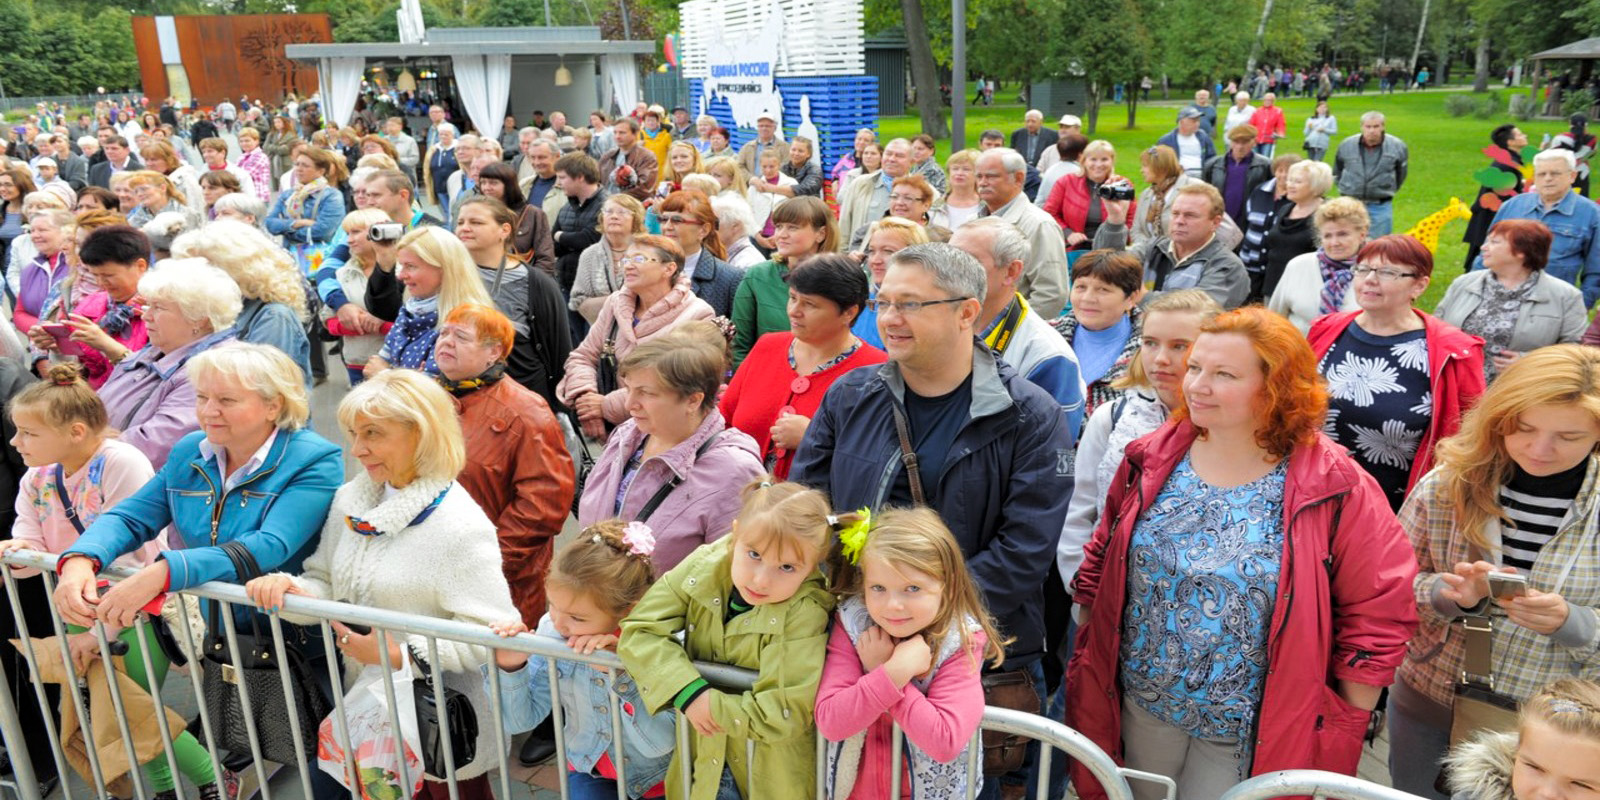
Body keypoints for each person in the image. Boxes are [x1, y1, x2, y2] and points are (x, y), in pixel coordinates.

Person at [1068, 306, 1419, 800]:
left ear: (1276, 387)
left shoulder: (1335, 485)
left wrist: (1345, 719)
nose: (1196, 386)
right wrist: (1088, 641)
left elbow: (1378, 608)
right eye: (1196, 367)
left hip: (1251, 726)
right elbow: (1103, 554)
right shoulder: (1153, 455)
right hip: (1141, 703)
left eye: (1224, 375)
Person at [791, 243, 1073, 798]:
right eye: (884, 302)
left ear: (966, 312)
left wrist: (920, 624)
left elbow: (1025, 547)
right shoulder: (851, 395)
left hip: (975, 658)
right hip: (859, 650)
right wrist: (875, 623)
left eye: (911, 304)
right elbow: (808, 509)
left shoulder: (1028, 414)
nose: (889, 318)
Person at [243, 368, 516, 800]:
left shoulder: (460, 526)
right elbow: (324, 580)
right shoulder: (351, 498)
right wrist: (291, 592)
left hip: (437, 730)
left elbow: (489, 632)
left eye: (373, 434)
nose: (357, 449)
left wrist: (398, 656)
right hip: (368, 712)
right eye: (354, 433)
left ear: (421, 434)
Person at [1, 363, 230, 800]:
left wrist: (97, 635)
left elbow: (130, 551)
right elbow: (31, 549)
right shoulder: (37, 476)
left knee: (132, 707)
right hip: (79, 606)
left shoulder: (120, 461)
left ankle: (213, 779)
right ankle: (169, 788)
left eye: (27, 433)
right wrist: (16, 553)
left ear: (76, 432)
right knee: (122, 711)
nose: (15, 442)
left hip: (135, 607)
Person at [1388, 345, 1600, 798]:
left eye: (1568, 437)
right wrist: (1448, 595)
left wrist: (1575, 623)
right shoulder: (1448, 484)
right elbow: (1387, 588)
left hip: (1561, 741)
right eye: (1524, 428)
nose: (1540, 450)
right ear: (1498, 417)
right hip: (1433, 704)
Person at [617, 479, 836, 800]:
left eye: (787, 567)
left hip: (769, 776)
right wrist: (687, 691)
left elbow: (782, 711)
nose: (761, 580)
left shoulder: (806, 610)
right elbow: (641, 629)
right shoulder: (704, 564)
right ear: (735, 534)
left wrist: (708, 707)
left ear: (813, 565)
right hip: (702, 764)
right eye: (754, 554)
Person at [815, 508, 1003, 800]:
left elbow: (945, 740)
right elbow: (831, 721)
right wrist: (893, 672)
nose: (893, 605)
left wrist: (884, 671)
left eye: (912, 588)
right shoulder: (853, 622)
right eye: (878, 587)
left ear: (948, 585)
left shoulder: (960, 640)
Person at [487, 520, 675, 799]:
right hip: (589, 768)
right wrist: (512, 666)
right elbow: (519, 721)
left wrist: (622, 675)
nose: (559, 624)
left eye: (577, 618)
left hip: (660, 779)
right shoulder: (552, 629)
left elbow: (660, 742)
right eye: (553, 605)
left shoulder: (659, 642)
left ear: (627, 611)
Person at [1056, 289, 1221, 596]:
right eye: (1150, 343)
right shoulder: (1112, 418)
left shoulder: (1226, 427)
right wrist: (1081, 587)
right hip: (1105, 591)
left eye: (1180, 346)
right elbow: (1078, 509)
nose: (1160, 359)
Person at [1308, 234, 1487, 511]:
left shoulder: (1454, 353)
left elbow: (1473, 438)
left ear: (1420, 285)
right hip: (1314, 495)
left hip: (1398, 508)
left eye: (1388, 272)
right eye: (1363, 269)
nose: (1370, 279)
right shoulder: (1326, 329)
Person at [435, 302, 573, 626]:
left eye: (461, 337)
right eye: (444, 333)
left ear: (494, 352)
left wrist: (485, 561)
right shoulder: (427, 398)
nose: (447, 341)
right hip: (436, 569)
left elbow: (543, 506)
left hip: (502, 584)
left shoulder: (527, 412)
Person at [723, 255, 886, 479]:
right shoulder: (768, 346)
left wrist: (815, 438)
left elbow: (876, 461)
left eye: (809, 304)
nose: (794, 311)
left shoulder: (875, 371)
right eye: (792, 298)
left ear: (849, 312)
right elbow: (725, 420)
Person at [559, 235, 716, 439]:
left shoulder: (697, 314)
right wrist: (586, 398)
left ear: (669, 269)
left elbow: (674, 382)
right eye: (626, 259)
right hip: (613, 434)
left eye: (639, 259)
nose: (628, 266)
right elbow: (583, 356)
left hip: (665, 434)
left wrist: (606, 406)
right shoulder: (615, 303)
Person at [95, 262, 240, 469]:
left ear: (199, 319)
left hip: (136, 478)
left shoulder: (213, 368)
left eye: (159, 308)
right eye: (148, 306)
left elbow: (154, 446)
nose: (146, 316)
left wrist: (81, 446)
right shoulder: (155, 351)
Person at [951, 217, 1085, 432]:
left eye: (967, 260)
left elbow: (1052, 444)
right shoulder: (938, 325)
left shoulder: (1047, 356)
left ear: (1011, 272)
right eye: (948, 258)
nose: (949, 271)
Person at [452, 197, 572, 408]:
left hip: (521, 401)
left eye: (476, 222)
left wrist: (559, 408)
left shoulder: (537, 284)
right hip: (458, 398)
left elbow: (560, 353)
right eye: (460, 222)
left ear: (504, 230)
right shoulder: (446, 275)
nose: (465, 228)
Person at [1435, 218, 1586, 383]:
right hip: (1454, 384)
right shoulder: (1464, 283)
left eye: (1494, 242)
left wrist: (1528, 363)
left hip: (1520, 390)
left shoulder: (1566, 296)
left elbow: (1575, 351)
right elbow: (1435, 328)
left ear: (1522, 251)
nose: (1484, 247)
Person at [170, 221, 314, 387]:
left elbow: (259, 385)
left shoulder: (274, 317)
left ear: (235, 266)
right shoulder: (227, 305)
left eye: (207, 266)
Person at [1473, 149, 1600, 308]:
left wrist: (1581, 306)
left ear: (1572, 176)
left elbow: (1596, 270)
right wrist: (1474, 293)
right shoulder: (1512, 206)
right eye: (1541, 174)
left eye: (1555, 173)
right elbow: (1485, 254)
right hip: (1499, 300)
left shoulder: (1591, 214)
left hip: (1553, 304)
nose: (1548, 179)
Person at [29, 224, 149, 389]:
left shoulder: (160, 310)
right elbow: (78, 371)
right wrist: (59, 347)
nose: (101, 283)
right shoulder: (90, 306)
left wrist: (108, 346)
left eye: (108, 275)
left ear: (140, 266)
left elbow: (159, 376)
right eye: (95, 275)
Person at [1095, 183, 1251, 308]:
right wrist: (1115, 219)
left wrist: (1140, 296)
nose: (1179, 221)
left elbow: (1197, 310)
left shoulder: (1228, 267)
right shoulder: (1154, 247)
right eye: (1175, 214)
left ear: (1215, 222)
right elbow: (1105, 269)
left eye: (1190, 215)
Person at [365, 226, 494, 376]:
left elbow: (438, 386)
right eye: (401, 266)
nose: (401, 276)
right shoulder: (410, 310)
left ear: (444, 268)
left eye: (410, 266)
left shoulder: (468, 321)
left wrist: (384, 374)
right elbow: (377, 362)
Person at [1443, 679, 1600, 800]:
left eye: (1580, 784)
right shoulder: (1475, 795)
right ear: (1516, 753)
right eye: (1535, 767)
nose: (1547, 794)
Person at [731, 196, 838, 366]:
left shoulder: (838, 280)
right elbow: (738, 346)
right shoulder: (758, 276)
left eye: (793, 227)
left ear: (821, 234)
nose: (781, 235)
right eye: (779, 227)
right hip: (766, 375)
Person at [1048, 248, 1145, 417]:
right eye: (1081, 287)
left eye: (1103, 290)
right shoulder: (1047, 335)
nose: (1087, 298)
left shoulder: (1150, 348)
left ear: (1131, 298)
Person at [976, 148, 1070, 318]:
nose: (982, 183)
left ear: (1018, 178)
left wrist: (1007, 327)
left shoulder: (1039, 225)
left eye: (991, 176)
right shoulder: (972, 221)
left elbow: (1051, 295)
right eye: (979, 176)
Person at [1267, 197, 1370, 333]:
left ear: (1362, 235)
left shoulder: (1374, 272)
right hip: (1301, 345)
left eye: (1342, 234)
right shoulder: (1298, 266)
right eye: (1327, 236)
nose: (1334, 243)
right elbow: (1274, 319)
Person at [321, 209, 393, 384]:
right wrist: (359, 324)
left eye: (356, 232)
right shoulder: (342, 273)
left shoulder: (402, 270)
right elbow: (327, 320)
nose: (348, 240)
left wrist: (383, 324)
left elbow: (417, 322)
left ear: (378, 231)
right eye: (347, 233)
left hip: (397, 363)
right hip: (357, 363)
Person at [1045, 139, 1138, 255]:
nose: (1098, 165)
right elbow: (1049, 212)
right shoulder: (1066, 182)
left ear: (1112, 161)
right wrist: (1068, 233)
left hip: (1109, 251)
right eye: (1093, 159)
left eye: (1104, 159)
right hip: (1073, 248)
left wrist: (1118, 238)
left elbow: (1132, 219)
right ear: (1084, 161)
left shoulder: (1122, 185)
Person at [263, 148, 347, 275]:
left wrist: (286, 231)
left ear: (321, 171)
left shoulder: (331, 196)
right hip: (289, 258)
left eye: (305, 166)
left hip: (319, 259)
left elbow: (324, 231)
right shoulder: (290, 194)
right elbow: (269, 223)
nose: (299, 169)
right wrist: (296, 224)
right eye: (297, 164)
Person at [659, 190, 741, 318]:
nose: (666, 227)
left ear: (703, 230)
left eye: (677, 220)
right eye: (663, 219)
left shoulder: (730, 278)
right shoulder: (646, 267)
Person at [851, 218, 931, 349]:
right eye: (871, 251)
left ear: (916, 256)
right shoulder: (862, 302)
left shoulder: (929, 307)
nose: (875, 260)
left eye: (888, 251)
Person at [1260, 159, 1333, 298]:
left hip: (1306, 291)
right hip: (1273, 286)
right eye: (1290, 180)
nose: (1289, 185)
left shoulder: (1326, 214)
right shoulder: (1285, 209)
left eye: (1297, 182)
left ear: (1315, 186)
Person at [1463, 124, 1530, 271]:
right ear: (1510, 142)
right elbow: (1505, 197)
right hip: (1489, 221)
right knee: (1481, 263)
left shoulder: (1508, 161)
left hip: (1488, 219)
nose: (1525, 136)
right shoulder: (1506, 164)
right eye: (1520, 134)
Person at [571, 193, 645, 323]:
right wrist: (617, 302)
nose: (614, 216)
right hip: (600, 329)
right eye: (608, 212)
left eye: (622, 212)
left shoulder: (647, 252)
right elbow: (578, 300)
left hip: (644, 328)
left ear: (636, 219)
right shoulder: (589, 255)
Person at [471, 161, 555, 274]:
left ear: (508, 185)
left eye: (493, 183)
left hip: (523, 278)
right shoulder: (475, 213)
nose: (487, 187)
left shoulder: (532, 214)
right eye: (483, 182)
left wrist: (532, 281)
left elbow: (545, 258)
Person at [1334, 111, 1409, 236]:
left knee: (1379, 244)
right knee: (1347, 240)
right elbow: (1338, 170)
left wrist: (1386, 188)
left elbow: (1401, 174)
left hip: (1380, 205)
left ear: (1383, 127)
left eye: (1376, 126)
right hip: (1350, 204)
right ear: (1361, 127)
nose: (1372, 130)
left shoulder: (1397, 146)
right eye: (1368, 126)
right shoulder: (1346, 145)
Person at [837, 139, 913, 252]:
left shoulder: (922, 191)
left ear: (911, 161)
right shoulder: (860, 184)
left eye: (899, 156)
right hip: (862, 258)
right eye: (888, 154)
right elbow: (844, 224)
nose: (892, 159)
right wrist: (843, 257)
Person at [1203, 124, 1273, 232]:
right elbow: (1205, 192)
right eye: (1236, 142)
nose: (1240, 147)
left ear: (1254, 142)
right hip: (1220, 219)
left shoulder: (1265, 165)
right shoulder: (1213, 165)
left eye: (1245, 142)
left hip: (1249, 219)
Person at [599, 118, 659, 203]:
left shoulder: (646, 157)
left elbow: (644, 188)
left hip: (632, 205)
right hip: (606, 204)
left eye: (622, 133)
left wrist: (616, 199)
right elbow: (598, 183)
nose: (617, 136)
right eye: (615, 132)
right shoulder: (607, 156)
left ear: (635, 134)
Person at [929, 148, 983, 231]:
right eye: (955, 169)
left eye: (966, 169)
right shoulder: (933, 206)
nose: (959, 173)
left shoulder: (987, 207)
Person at [1157, 107, 1217, 176]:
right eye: (1193, 121)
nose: (1197, 123)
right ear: (1181, 122)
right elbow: (1159, 163)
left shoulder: (1203, 137)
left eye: (1198, 120)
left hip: (1202, 176)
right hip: (1177, 177)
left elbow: (1212, 158)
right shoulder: (1166, 140)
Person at [1548, 112, 1596, 196]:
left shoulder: (1560, 138)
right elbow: (1591, 154)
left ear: (1570, 124)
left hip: (1562, 171)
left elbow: (1552, 155)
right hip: (1582, 172)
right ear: (1586, 125)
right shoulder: (1592, 139)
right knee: (1582, 199)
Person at [713, 194, 764, 270]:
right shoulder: (726, 253)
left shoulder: (748, 263)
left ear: (735, 226)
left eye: (715, 223)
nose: (709, 229)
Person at [424, 122, 460, 213]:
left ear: (452, 135)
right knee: (446, 211)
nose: (443, 136)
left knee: (455, 211)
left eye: (446, 134)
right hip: (439, 186)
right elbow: (427, 168)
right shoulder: (433, 150)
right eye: (441, 134)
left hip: (456, 187)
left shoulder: (458, 149)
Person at [1249, 92, 1287, 157]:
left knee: (1265, 158)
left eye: (1269, 100)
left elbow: (1281, 124)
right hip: (1256, 139)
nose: (1267, 102)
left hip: (1268, 139)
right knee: (1255, 157)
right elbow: (1251, 124)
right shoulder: (1257, 111)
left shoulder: (1278, 111)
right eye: (1266, 100)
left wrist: (1281, 133)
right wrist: (1251, 136)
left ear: (1273, 101)